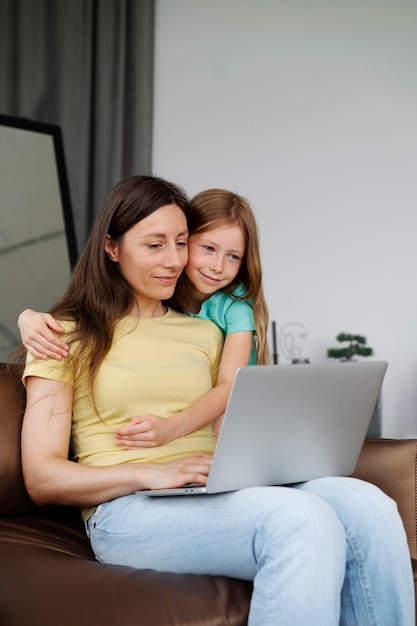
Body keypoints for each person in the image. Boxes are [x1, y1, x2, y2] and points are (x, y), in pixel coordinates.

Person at [18, 174, 414, 626]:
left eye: (182, 243)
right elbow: (41, 477)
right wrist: (151, 472)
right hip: (127, 509)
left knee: (370, 506)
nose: (173, 260)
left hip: (215, 488)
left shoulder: (206, 332)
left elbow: (227, 425)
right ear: (112, 247)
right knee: (300, 521)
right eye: (154, 245)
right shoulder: (62, 334)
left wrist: (278, 459)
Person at [18, 188, 270, 446]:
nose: (217, 266)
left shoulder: (234, 307)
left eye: (233, 256)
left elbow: (229, 386)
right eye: (207, 248)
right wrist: (28, 318)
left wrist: (174, 430)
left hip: (231, 417)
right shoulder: (163, 289)